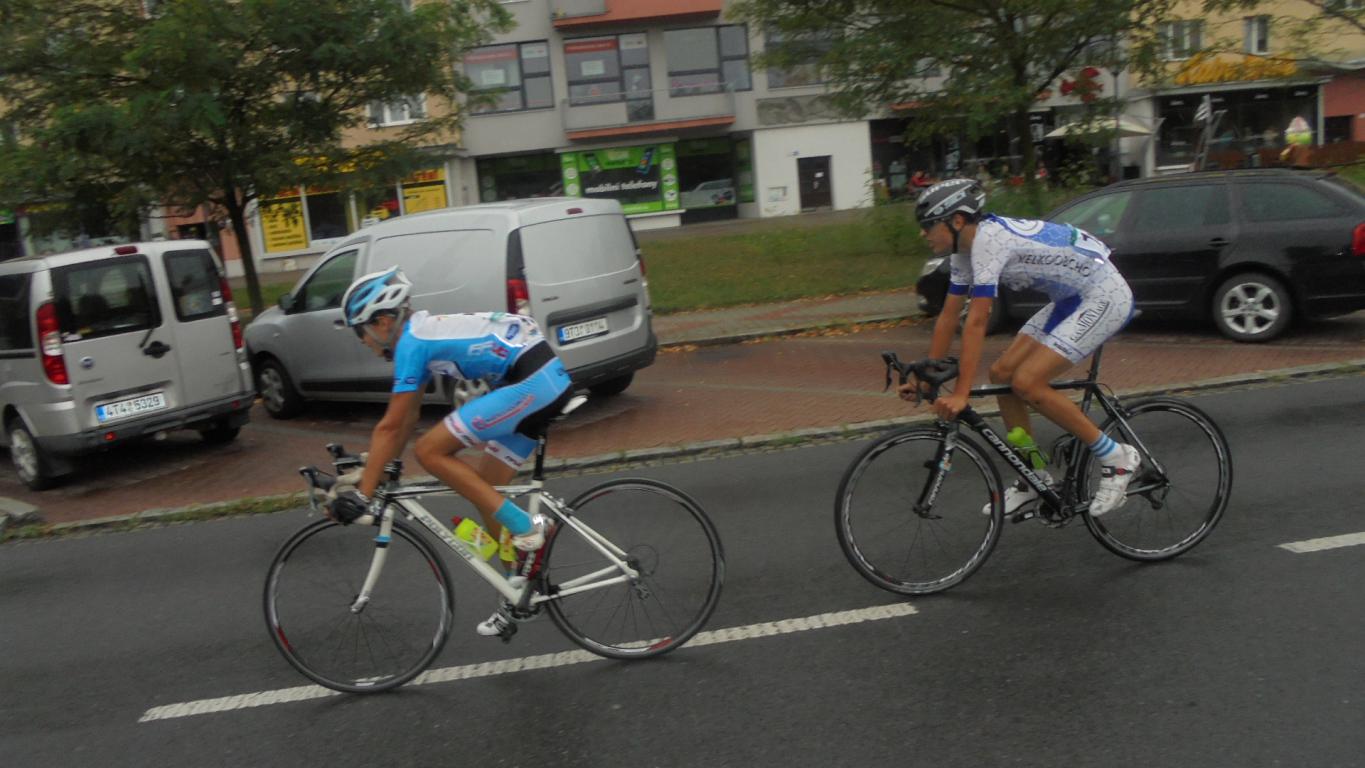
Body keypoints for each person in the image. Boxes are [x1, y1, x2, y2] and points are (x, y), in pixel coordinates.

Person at [325, 268, 574, 637]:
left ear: (381, 322)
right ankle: (518, 589)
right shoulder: (419, 336)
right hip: (536, 379)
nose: (362, 341)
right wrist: (379, 469)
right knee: (487, 490)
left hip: (532, 382)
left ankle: (529, 527)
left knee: (430, 451)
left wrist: (363, 496)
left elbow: (390, 427)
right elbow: (406, 419)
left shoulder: (412, 343)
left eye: (359, 331)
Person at [904, 179, 1139, 518]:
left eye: (928, 225)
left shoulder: (989, 241)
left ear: (956, 221)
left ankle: (1116, 456)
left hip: (1104, 295)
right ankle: (1034, 473)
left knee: (1028, 381)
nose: (922, 233)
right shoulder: (963, 251)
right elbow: (949, 316)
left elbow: (977, 321)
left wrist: (962, 393)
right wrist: (928, 374)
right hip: (1069, 300)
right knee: (1002, 374)